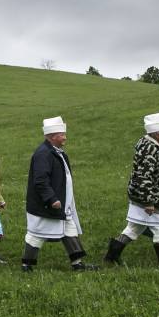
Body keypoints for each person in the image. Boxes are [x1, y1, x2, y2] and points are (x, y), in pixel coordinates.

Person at [103, 113, 159, 268]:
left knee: (134, 227)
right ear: (157, 134)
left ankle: (112, 256)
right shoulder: (151, 149)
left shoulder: (148, 144)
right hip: (150, 197)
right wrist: (149, 201)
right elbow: (144, 176)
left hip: (141, 195)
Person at [22, 116, 98, 272]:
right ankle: (26, 265)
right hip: (46, 205)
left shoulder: (56, 152)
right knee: (37, 234)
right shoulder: (43, 154)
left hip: (63, 203)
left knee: (69, 230)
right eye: (61, 134)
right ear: (52, 136)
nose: (65, 137)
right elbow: (40, 180)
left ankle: (77, 264)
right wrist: (51, 198)